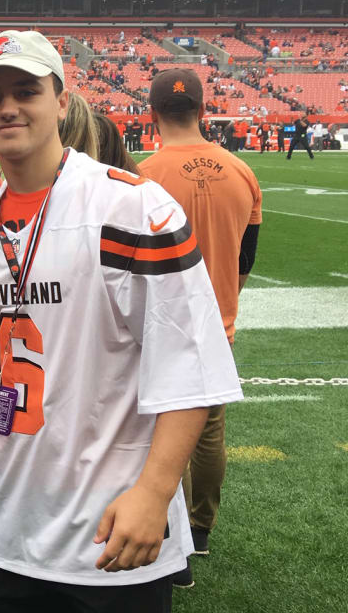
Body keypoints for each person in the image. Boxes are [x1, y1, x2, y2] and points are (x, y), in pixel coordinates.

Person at [0, 30, 243, 612]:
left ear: (61, 100)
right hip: (9, 525)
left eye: (26, 91)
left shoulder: (131, 207)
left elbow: (192, 365)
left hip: (110, 526)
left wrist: (155, 493)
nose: (7, 107)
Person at [139, 68, 262, 589]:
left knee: (157, 440)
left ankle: (174, 548)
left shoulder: (142, 174)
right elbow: (245, 261)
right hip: (219, 323)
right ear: (204, 112)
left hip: (158, 324)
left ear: (151, 115)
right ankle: (201, 528)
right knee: (209, 432)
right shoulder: (241, 171)